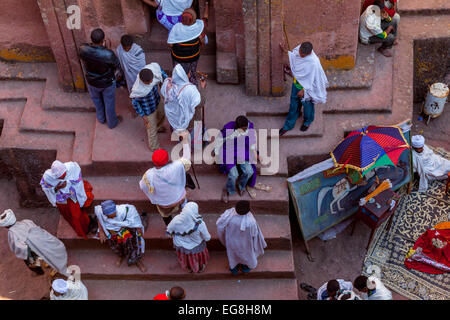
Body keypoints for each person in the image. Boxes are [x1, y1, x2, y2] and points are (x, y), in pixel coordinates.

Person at [140, 132, 191, 225]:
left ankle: (169, 227)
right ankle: (184, 205)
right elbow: (187, 158)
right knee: (186, 177)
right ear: (167, 159)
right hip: (179, 197)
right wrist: (185, 140)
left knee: (165, 216)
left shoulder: (149, 175)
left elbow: (142, 186)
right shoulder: (176, 166)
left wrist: (153, 196)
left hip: (164, 204)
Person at [216, 116, 271, 203]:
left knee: (249, 171)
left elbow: (251, 140)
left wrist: (255, 153)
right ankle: (229, 189)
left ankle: (241, 186)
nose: (246, 130)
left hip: (242, 150)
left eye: (246, 128)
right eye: (243, 129)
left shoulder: (249, 127)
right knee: (233, 174)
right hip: (229, 151)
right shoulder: (228, 128)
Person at [279, 41, 328, 134]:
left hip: (307, 90)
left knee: (308, 108)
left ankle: (307, 122)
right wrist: (285, 50)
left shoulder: (314, 63)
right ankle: (288, 125)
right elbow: (294, 55)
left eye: (302, 54)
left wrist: (304, 90)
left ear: (309, 53)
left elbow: (315, 80)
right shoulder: (299, 50)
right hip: (296, 84)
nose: (300, 54)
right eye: (300, 51)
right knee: (293, 105)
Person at [0, 209, 68, 276]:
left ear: (6, 226)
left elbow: (18, 247)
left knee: (32, 261)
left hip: (31, 250)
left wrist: (29, 250)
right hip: (42, 243)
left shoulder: (12, 233)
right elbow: (38, 230)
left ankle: (40, 272)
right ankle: (49, 264)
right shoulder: (26, 221)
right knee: (48, 255)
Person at [40, 160, 95, 239]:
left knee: (76, 215)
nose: (62, 178)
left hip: (72, 195)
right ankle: (81, 227)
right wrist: (57, 188)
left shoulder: (73, 168)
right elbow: (46, 189)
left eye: (63, 175)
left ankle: (85, 227)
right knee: (68, 214)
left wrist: (70, 186)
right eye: (59, 177)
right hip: (60, 199)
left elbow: (78, 184)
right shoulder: (48, 177)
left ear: (65, 170)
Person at [80, 28, 122, 129]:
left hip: (92, 81)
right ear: (103, 41)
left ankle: (101, 118)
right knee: (109, 103)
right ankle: (112, 123)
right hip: (107, 83)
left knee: (97, 101)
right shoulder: (108, 54)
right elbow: (117, 67)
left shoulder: (83, 49)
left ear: (91, 40)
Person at [95, 200, 147, 273]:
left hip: (125, 232)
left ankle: (136, 260)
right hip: (112, 234)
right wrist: (101, 230)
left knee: (132, 246)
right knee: (116, 246)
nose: (112, 218)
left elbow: (135, 218)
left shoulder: (125, 210)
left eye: (113, 214)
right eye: (109, 216)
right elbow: (99, 218)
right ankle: (121, 256)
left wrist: (138, 227)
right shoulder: (100, 211)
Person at [216, 201, 267, 275]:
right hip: (245, 243)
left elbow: (220, 224)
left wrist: (223, 237)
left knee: (232, 255)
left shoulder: (229, 214)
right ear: (248, 210)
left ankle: (233, 269)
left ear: (236, 208)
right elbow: (254, 233)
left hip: (232, 242)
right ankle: (245, 268)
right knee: (246, 256)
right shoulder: (250, 222)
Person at [130, 63, 168, 151]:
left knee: (162, 115)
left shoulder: (153, 71)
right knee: (151, 130)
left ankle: (158, 127)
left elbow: (161, 72)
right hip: (148, 111)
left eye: (151, 80)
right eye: (148, 82)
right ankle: (154, 147)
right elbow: (135, 104)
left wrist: (166, 80)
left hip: (157, 101)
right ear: (142, 81)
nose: (151, 82)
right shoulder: (137, 91)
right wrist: (143, 116)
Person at [167, 7, 209, 85]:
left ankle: (178, 88)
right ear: (193, 18)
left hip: (177, 57)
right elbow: (205, 17)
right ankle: (192, 86)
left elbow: (170, 44)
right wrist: (206, 4)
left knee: (178, 74)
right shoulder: (199, 27)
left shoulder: (176, 27)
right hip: (193, 57)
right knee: (191, 74)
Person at [161, 64, 206, 134]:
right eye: (189, 72)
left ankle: (183, 144)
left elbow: (164, 95)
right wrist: (203, 88)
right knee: (196, 139)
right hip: (191, 121)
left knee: (183, 140)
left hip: (176, 120)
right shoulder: (190, 89)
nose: (190, 74)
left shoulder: (167, 85)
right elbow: (201, 103)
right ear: (186, 74)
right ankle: (196, 144)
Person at [167, 202, 210, 273]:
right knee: (196, 258)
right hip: (196, 246)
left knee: (186, 258)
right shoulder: (200, 224)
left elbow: (169, 231)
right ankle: (198, 268)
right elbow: (207, 237)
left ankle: (188, 267)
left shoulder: (176, 220)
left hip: (181, 245)